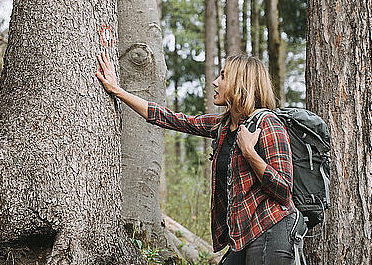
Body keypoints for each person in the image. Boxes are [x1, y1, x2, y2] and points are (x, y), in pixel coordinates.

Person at [96, 52, 299, 265]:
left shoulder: (267, 124)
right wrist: (117, 91)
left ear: (240, 82)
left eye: (223, 76)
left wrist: (249, 152)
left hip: (273, 226)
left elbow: (284, 191)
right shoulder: (223, 126)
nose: (215, 82)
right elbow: (169, 118)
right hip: (244, 234)